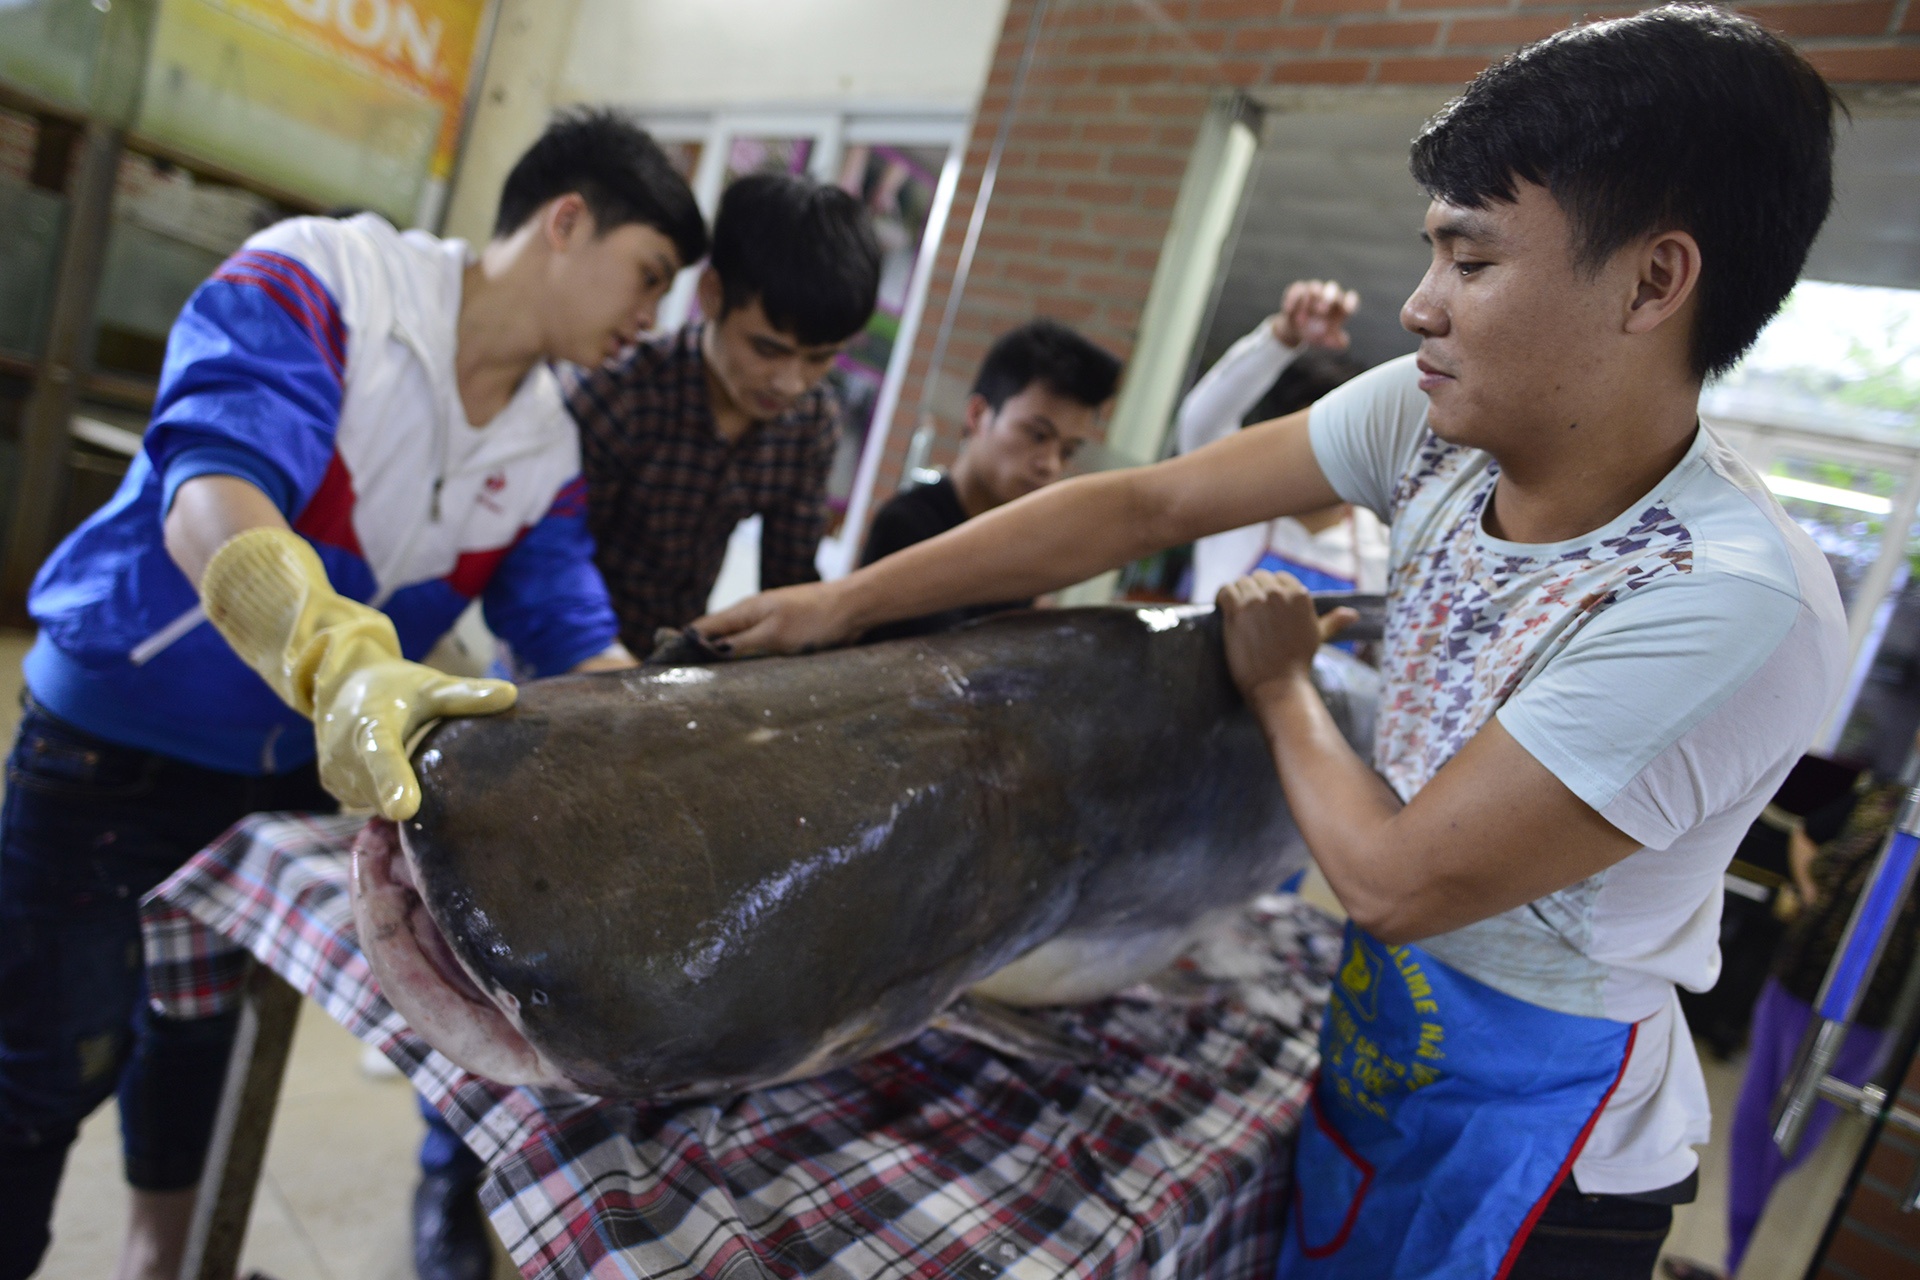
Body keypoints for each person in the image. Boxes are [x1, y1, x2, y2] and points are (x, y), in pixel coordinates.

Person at [693, 8, 1847, 1275]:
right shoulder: (1430, 426)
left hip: (1542, 1142)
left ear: (1653, 280)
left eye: (1471, 261)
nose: (1420, 307)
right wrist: (840, 605)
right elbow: (1146, 502)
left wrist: (1282, 680)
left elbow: (1399, 880)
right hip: (1382, 1043)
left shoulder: (1727, 598)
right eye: (1431, 254)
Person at [0, 109, 705, 1280]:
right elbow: (210, 490)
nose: (649, 317)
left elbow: (571, 637)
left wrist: (689, 763)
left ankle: (158, 1266)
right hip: (115, 740)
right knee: (40, 1062)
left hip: (276, 777)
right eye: (648, 275)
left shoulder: (542, 451)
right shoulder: (326, 282)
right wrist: (332, 648)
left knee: (195, 1041)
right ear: (566, 222)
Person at [563, 171, 883, 655]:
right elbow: (554, 563)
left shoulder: (809, 424)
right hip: (558, 649)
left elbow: (790, 580)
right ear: (711, 293)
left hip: (669, 662)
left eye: (819, 358)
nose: (790, 383)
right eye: (767, 348)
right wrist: (601, 663)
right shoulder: (622, 394)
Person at [1663, 762, 1920, 1280]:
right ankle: (1733, 1257)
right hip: (1800, 977)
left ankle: (1751, 1262)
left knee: (1801, 1133)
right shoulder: (1882, 801)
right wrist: (1810, 893)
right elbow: (1807, 834)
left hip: (1871, 1011)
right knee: (1758, 1116)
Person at [858, 318, 1120, 640]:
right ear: (978, 414)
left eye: (1067, 451)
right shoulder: (908, 526)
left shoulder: (1024, 549)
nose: (1050, 465)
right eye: (1037, 435)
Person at [1174, 281, 1382, 605]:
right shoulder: (1237, 504)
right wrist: (1283, 337)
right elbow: (1201, 425)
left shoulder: (1382, 546)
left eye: (1346, 440)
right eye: (1315, 440)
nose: (1329, 458)